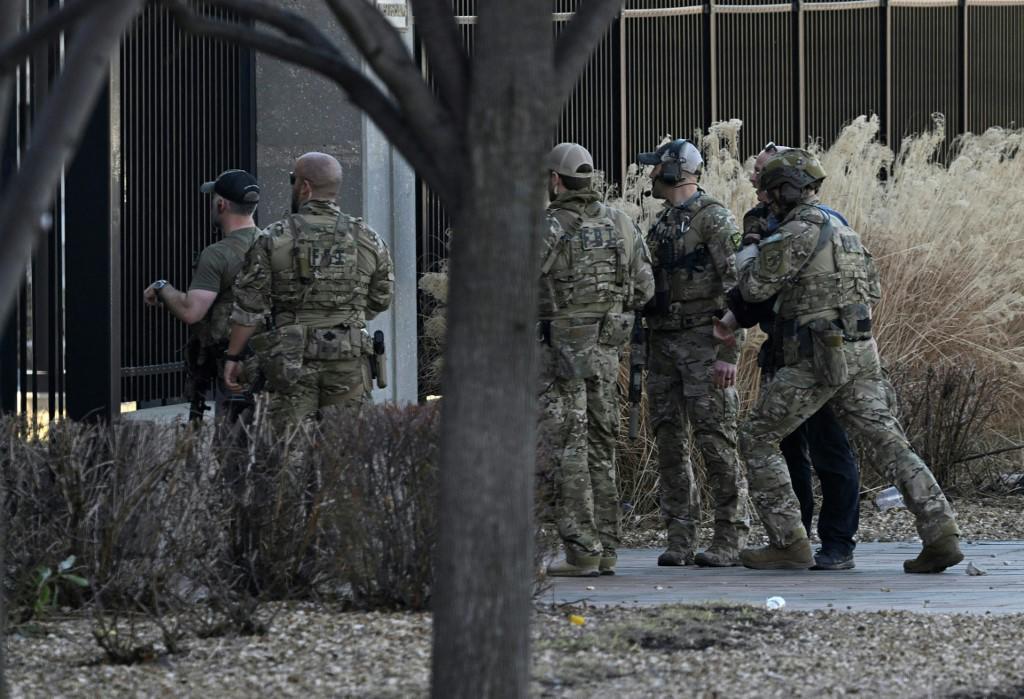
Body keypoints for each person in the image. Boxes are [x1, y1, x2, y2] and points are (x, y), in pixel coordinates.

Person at [733, 148, 963, 574]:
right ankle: (941, 531)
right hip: (859, 351)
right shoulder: (842, 227)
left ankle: (788, 541)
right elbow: (871, 290)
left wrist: (748, 251)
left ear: (785, 190)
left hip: (814, 357)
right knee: (889, 443)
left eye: (768, 190)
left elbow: (753, 288)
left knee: (757, 437)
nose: (764, 198)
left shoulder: (797, 230)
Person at [735, 143, 861, 571]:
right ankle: (794, 537)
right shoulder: (771, 220)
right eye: (756, 176)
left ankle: (837, 542)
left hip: (816, 353)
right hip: (783, 349)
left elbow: (755, 286)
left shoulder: (817, 224)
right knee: (789, 449)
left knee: (828, 447)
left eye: (763, 176)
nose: (757, 183)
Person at [539, 143, 654, 577]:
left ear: (555, 180)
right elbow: (645, 290)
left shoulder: (549, 225)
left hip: (559, 357)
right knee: (601, 447)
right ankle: (606, 547)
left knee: (567, 446)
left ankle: (582, 550)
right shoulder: (621, 222)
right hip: (607, 352)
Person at [636, 138, 750, 568]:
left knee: (716, 439)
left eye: (656, 167)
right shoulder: (663, 223)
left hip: (706, 343)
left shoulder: (714, 218)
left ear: (676, 171)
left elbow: (738, 288)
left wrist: (729, 354)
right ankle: (679, 535)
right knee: (668, 439)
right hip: (664, 342)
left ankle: (730, 534)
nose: (650, 175)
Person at [223, 152, 394, 426]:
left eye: (293, 180)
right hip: (348, 358)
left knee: (289, 450)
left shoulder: (274, 237)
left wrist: (233, 357)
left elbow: (249, 308)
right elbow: (381, 299)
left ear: (305, 187)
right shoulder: (369, 239)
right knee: (344, 450)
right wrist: (341, 316)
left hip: (290, 361)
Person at [143, 169, 261, 420]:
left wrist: (162, 287)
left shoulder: (218, 254)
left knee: (232, 449)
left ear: (222, 204)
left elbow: (191, 311)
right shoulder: (273, 244)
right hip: (271, 361)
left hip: (233, 365)